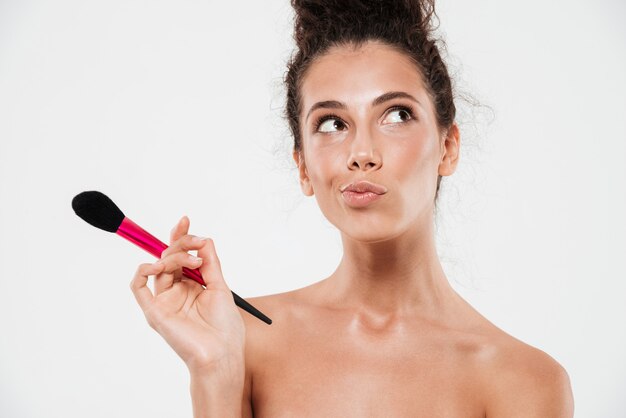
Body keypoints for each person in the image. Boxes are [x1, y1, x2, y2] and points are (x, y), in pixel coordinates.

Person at [130, 0, 574, 416]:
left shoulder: (525, 382)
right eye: (332, 123)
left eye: (397, 115)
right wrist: (213, 371)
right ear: (302, 166)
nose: (362, 152)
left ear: (448, 147)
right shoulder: (242, 338)